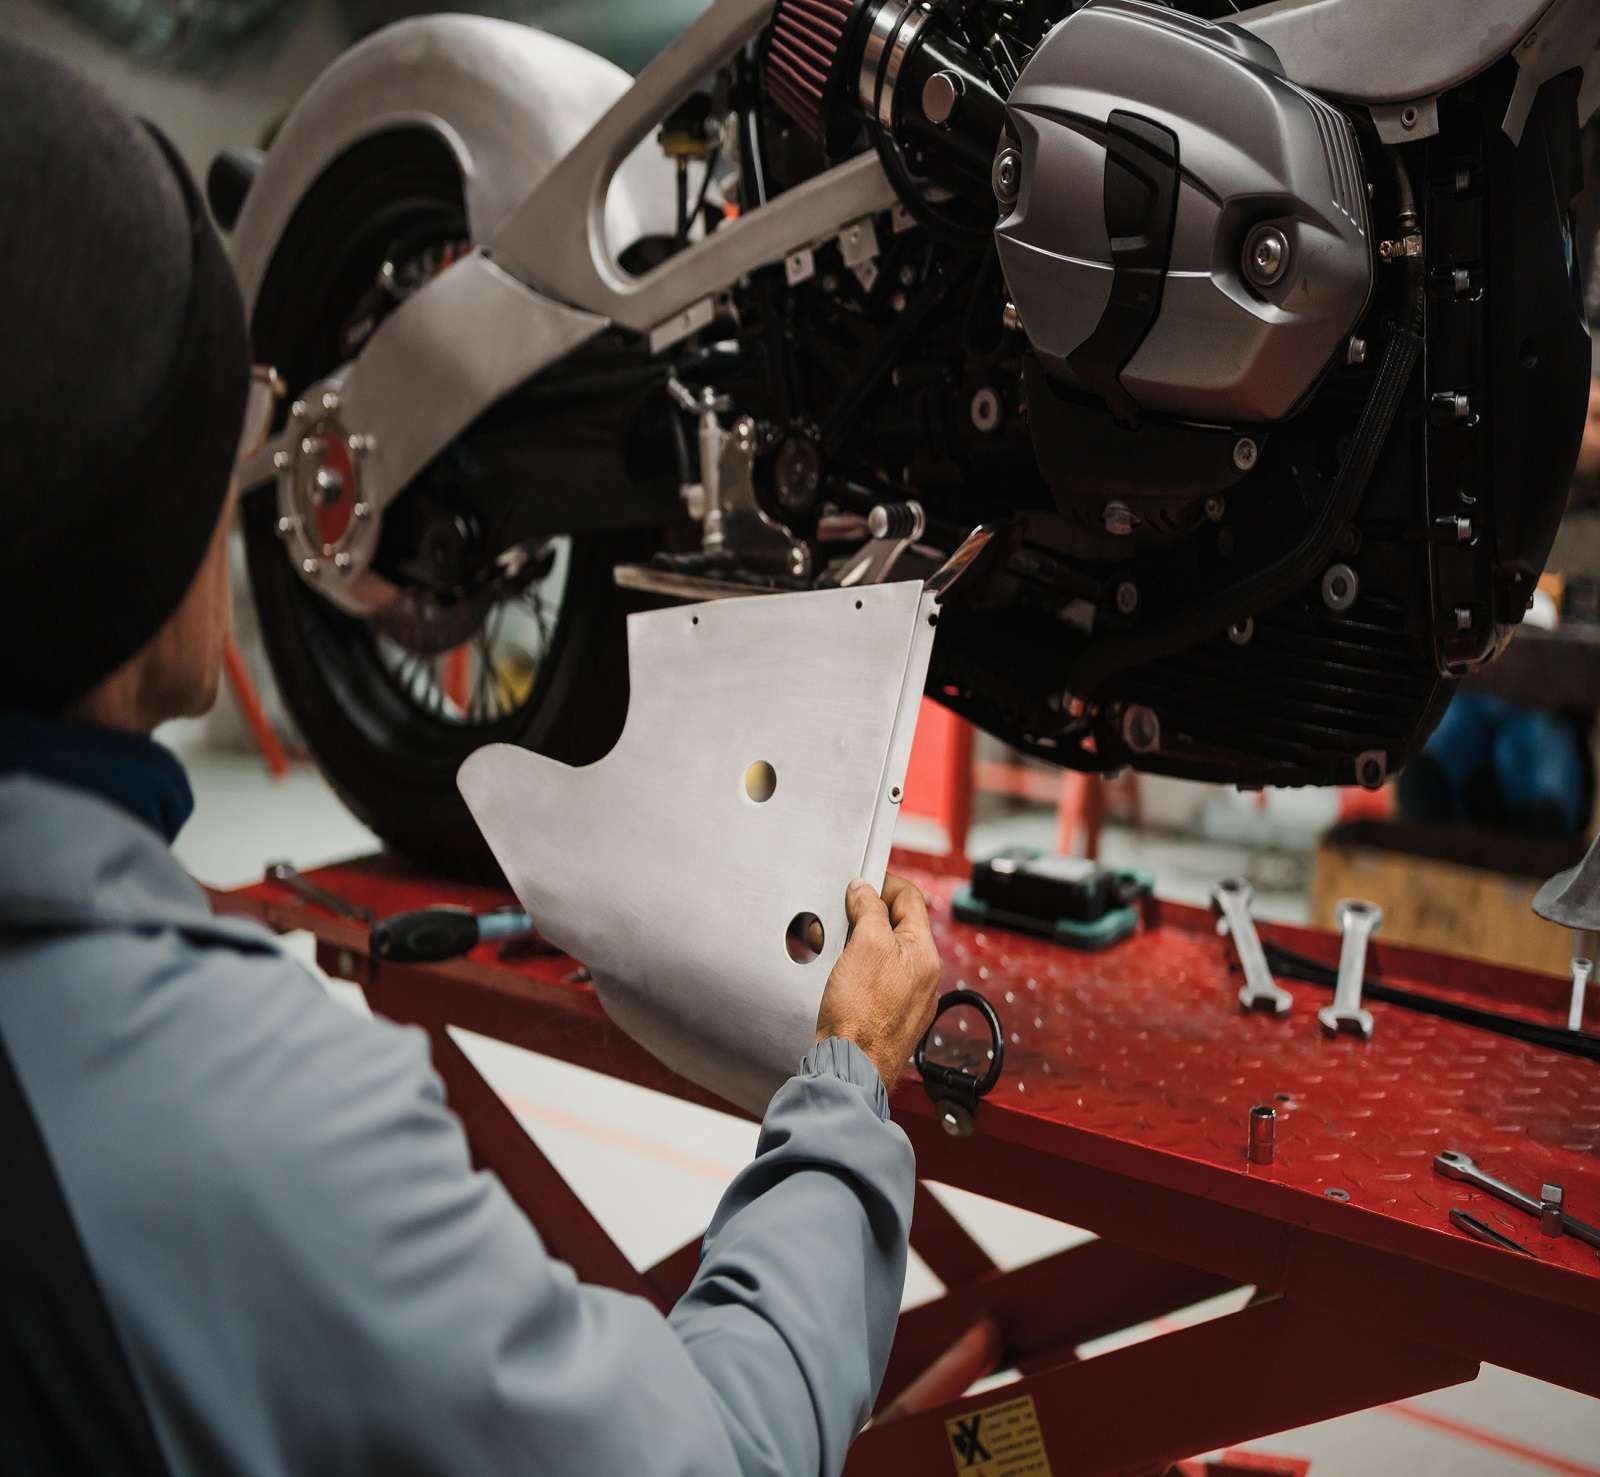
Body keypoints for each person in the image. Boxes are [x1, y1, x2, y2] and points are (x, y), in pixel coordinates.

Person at [0, 40, 942, 1477]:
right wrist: (842, 1098)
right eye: (223, 432)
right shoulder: (244, 1123)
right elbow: (713, 1458)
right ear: (139, 522)